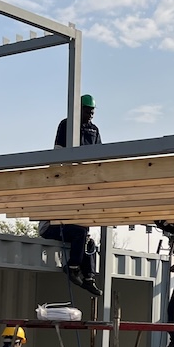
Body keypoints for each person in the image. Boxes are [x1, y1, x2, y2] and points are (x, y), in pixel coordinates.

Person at [38, 93, 103, 297]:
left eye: (92, 111)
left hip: (82, 178)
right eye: (87, 110)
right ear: (79, 109)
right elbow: (58, 150)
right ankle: (73, 267)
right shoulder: (67, 124)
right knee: (81, 233)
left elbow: (100, 153)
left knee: (89, 242)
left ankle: (89, 277)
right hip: (52, 226)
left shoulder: (93, 130)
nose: (90, 114)